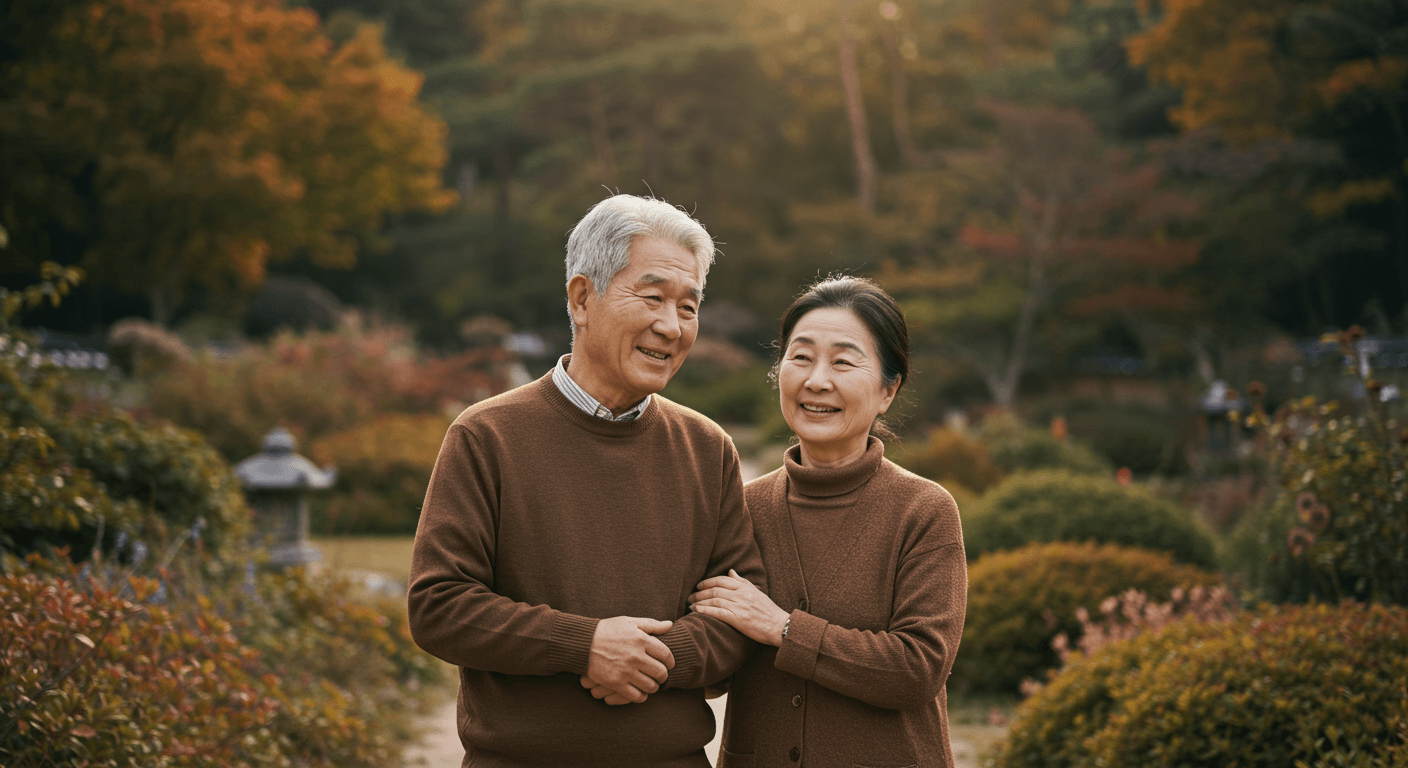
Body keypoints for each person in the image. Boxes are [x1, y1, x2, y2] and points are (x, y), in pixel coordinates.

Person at [408, 194, 766, 768]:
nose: (670, 326)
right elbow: (439, 606)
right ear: (581, 298)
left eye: (688, 306)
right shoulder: (486, 435)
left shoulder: (707, 449)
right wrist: (585, 647)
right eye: (652, 298)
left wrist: (647, 655)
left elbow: (735, 622)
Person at [689, 276, 968, 768]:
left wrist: (782, 629)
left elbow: (918, 668)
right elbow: (713, 663)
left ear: (888, 389)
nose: (817, 380)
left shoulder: (923, 510)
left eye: (843, 361)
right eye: (800, 357)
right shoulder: (741, 506)